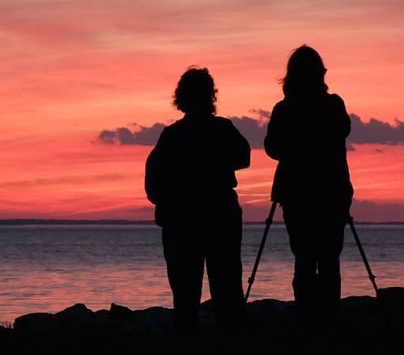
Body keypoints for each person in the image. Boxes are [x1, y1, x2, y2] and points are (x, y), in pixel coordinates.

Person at [145, 67, 251, 330]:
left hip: (183, 221)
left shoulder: (172, 136)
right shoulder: (222, 129)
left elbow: (153, 182)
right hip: (218, 216)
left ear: (181, 98)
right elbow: (244, 156)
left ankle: (188, 350)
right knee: (226, 288)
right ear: (210, 96)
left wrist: (166, 204)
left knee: (185, 293)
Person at [263, 45, 353, 322]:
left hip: (297, 193)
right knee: (328, 259)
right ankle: (328, 319)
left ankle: (307, 318)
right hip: (331, 193)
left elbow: (272, 148)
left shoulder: (284, 109)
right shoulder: (333, 105)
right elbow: (343, 131)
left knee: (304, 258)